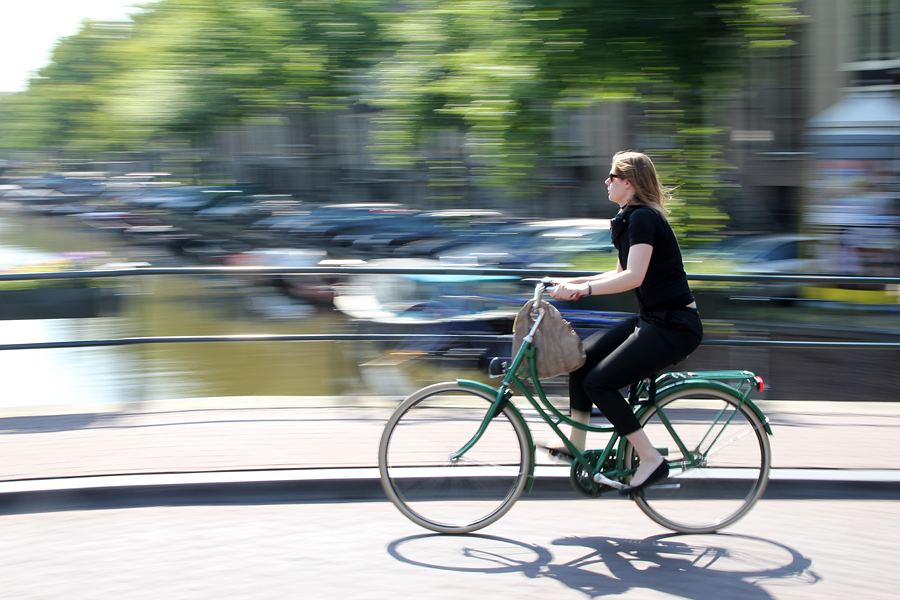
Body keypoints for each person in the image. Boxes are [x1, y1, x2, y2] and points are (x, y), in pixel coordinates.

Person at [545, 150, 703, 496]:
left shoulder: (644, 218)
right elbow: (619, 273)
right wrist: (568, 283)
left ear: (628, 183)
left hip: (675, 326)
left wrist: (582, 289)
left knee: (600, 384)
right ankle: (577, 444)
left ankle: (650, 460)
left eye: (612, 176)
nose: (606, 181)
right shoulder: (629, 217)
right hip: (652, 319)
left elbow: (634, 277)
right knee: (580, 358)